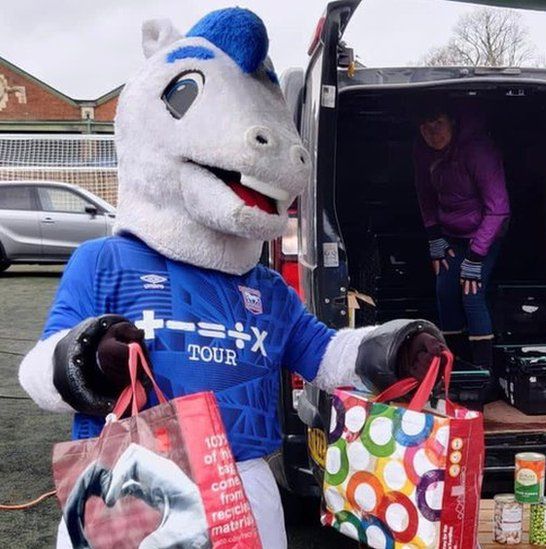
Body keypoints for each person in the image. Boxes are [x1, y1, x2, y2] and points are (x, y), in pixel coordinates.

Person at [17, 9, 445, 548]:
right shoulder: (104, 262)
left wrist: (390, 350)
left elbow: (323, 352)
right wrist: (84, 357)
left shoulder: (265, 290)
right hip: (133, 483)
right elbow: (37, 372)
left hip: (245, 487)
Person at [413, 107, 510, 368]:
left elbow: (499, 208)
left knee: (472, 294)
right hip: (451, 234)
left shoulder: (478, 150)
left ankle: (483, 374)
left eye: (438, 122)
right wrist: (434, 236)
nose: (432, 133)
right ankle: (454, 367)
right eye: (425, 126)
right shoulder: (424, 153)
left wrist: (476, 257)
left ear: (452, 121)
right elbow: (425, 195)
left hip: (485, 233)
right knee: (444, 290)